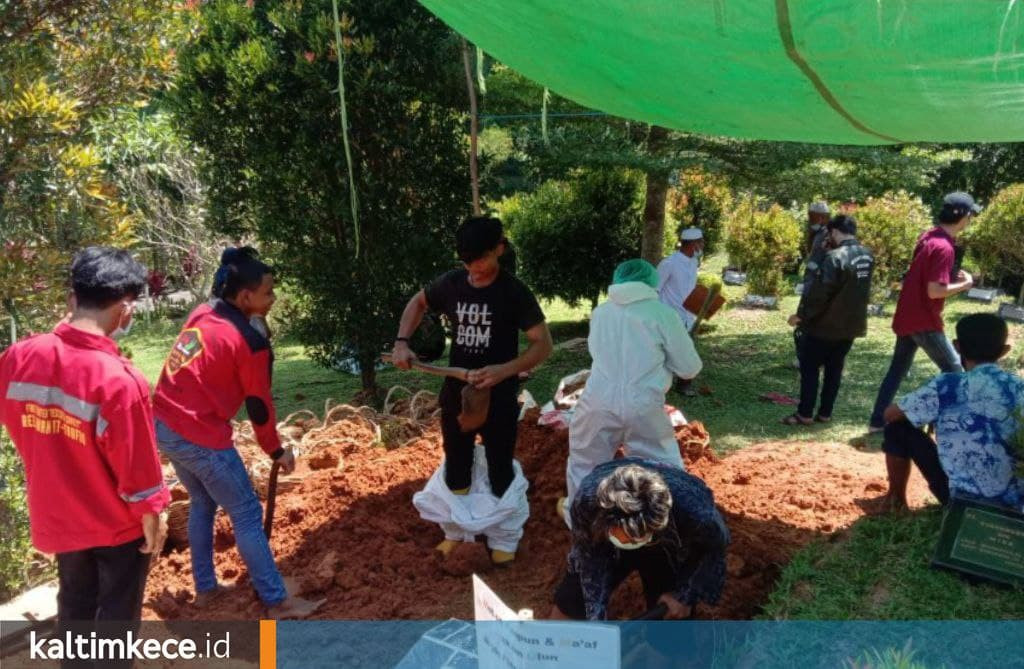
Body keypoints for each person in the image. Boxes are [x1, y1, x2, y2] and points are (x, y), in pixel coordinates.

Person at [0, 248, 169, 628]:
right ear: (126, 309)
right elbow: (138, 470)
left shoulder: (18, 357)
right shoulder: (119, 381)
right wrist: (153, 512)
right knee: (114, 620)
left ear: (72, 298)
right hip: (115, 526)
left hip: (58, 517)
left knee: (75, 607)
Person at [152, 247, 322, 618]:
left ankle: (207, 588)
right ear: (246, 297)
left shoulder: (203, 313)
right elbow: (259, 406)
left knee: (202, 502)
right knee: (245, 510)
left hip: (164, 424)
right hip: (198, 434)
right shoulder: (248, 342)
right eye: (268, 293)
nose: (273, 298)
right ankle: (278, 601)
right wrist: (277, 451)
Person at [393, 216, 553, 564]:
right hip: (457, 393)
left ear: (500, 248)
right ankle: (458, 532)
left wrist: (504, 370)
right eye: (467, 261)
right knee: (457, 466)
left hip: (500, 396)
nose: (474, 269)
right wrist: (402, 342)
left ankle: (503, 538)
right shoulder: (451, 284)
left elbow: (543, 345)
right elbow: (417, 302)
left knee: (499, 469)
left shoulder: (514, 292)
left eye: (481, 259)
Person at [560, 259, 702, 524]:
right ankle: (670, 522)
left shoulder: (601, 313)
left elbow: (599, 354)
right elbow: (689, 368)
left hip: (597, 402)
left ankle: (579, 523)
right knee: (662, 467)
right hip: (643, 404)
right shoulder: (662, 314)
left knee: (584, 464)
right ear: (651, 283)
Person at [877, 314, 1024, 512]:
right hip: (1015, 504)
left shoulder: (947, 385)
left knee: (897, 427)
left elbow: (890, 415)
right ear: (1004, 351)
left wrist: (919, 413)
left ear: (957, 347)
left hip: (959, 501)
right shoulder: (1019, 388)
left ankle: (895, 500)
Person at [550, 458, 729, 621]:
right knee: (574, 599)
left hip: (665, 544)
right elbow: (589, 561)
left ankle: (667, 651)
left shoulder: (695, 513)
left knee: (672, 620)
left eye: (636, 538)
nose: (630, 543)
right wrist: (596, 619)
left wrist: (685, 596)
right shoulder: (587, 503)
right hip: (605, 540)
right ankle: (554, 650)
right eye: (625, 537)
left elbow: (714, 549)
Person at [867, 192, 980, 432]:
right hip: (923, 320)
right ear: (963, 216)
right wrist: (966, 284)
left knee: (897, 370)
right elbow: (935, 291)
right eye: (970, 215)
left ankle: (877, 421)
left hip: (907, 315)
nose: (971, 220)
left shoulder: (929, 236)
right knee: (954, 370)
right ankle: (936, 420)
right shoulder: (944, 247)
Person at [783, 215, 875, 425]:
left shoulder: (834, 258)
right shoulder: (867, 256)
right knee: (835, 369)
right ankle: (825, 413)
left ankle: (805, 413)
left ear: (834, 231)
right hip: (851, 327)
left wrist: (801, 316)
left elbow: (819, 294)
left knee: (810, 368)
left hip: (824, 326)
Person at [656, 227, 704, 333]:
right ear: (693, 244)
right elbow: (655, 290)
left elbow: (689, 288)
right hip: (670, 321)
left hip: (689, 320)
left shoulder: (694, 262)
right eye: (701, 242)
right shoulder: (669, 263)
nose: (703, 246)